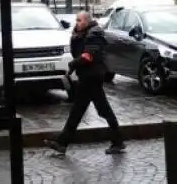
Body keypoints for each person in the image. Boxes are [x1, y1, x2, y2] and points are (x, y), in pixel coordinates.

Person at [43, 11, 125, 155]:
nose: (77, 22)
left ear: (87, 21)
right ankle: (62, 143)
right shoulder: (86, 33)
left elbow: (88, 56)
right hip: (87, 77)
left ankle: (118, 142)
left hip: (91, 77)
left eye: (79, 20)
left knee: (97, 110)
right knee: (79, 111)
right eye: (76, 20)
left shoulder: (94, 34)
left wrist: (73, 64)